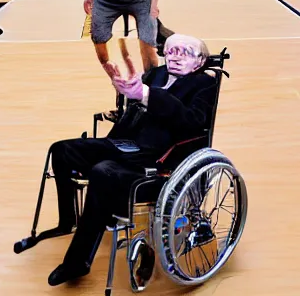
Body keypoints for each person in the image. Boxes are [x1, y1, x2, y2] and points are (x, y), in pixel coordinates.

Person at [46, 33, 218, 286]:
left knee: (103, 171)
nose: (177, 56)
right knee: (61, 150)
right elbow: (135, 103)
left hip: (159, 155)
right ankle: (68, 220)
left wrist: (147, 95)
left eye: (186, 52)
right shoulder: (156, 75)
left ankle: (77, 262)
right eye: (172, 50)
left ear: (200, 61)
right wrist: (127, 91)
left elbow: (193, 121)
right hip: (126, 143)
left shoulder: (203, 83)